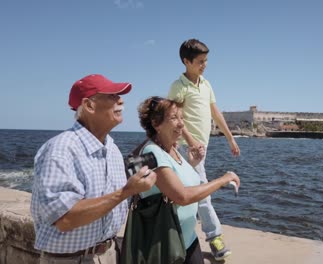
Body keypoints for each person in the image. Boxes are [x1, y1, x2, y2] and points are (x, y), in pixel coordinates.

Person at [30, 74, 157, 264]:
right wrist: (127, 191)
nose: (120, 100)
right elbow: (65, 219)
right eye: (112, 96)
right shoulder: (61, 149)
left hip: (108, 254)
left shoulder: (112, 148)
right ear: (89, 105)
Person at [136, 96, 240, 264]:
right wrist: (223, 179)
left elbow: (178, 180)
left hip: (188, 240)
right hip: (164, 245)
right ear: (156, 124)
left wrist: (191, 164)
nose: (181, 124)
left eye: (182, 118)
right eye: (174, 118)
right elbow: (182, 196)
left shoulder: (174, 150)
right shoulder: (151, 153)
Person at [167, 38, 240, 260]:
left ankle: (174, 235)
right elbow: (175, 119)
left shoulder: (206, 84)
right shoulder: (178, 86)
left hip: (201, 148)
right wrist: (190, 142)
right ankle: (215, 237)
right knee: (202, 191)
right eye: (200, 61)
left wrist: (230, 138)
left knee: (183, 192)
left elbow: (215, 113)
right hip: (184, 149)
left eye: (206, 60)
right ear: (186, 61)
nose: (204, 64)